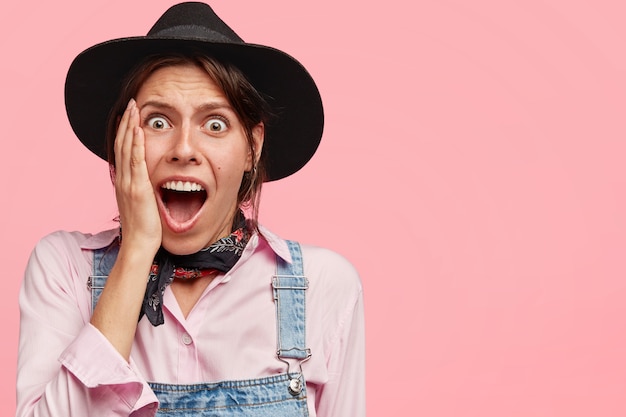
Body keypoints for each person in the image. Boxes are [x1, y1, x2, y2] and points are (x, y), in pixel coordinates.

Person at [16, 2, 365, 416]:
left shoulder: (323, 285)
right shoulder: (64, 270)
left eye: (215, 124)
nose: (183, 149)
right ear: (122, 141)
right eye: (158, 122)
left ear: (252, 147)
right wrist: (136, 251)